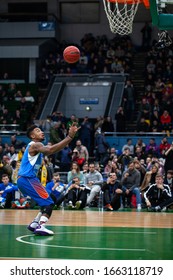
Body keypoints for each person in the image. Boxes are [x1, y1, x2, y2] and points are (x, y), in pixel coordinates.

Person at [17, 123, 79, 236]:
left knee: (52, 197)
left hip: (27, 180)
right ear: (32, 136)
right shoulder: (35, 145)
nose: (41, 131)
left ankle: (35, 223)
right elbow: (50, 150)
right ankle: (41, 226)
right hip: (27, 179)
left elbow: (50, 150)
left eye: (41, 130)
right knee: (49, 203)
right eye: (37, 130)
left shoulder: (36, 148)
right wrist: (69, 137)